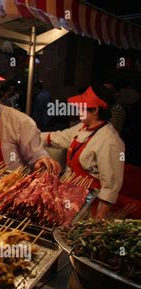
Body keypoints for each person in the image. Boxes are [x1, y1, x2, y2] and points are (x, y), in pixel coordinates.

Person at [41, 85, 125, 219]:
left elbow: (110, 187)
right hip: (69, 195)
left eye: (82, 108)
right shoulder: (82, 127)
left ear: (95, 110)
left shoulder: (110, 141)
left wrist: (97, 221)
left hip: (88, 204)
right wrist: (30, 135)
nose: (78, 110)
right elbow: (60, 137)